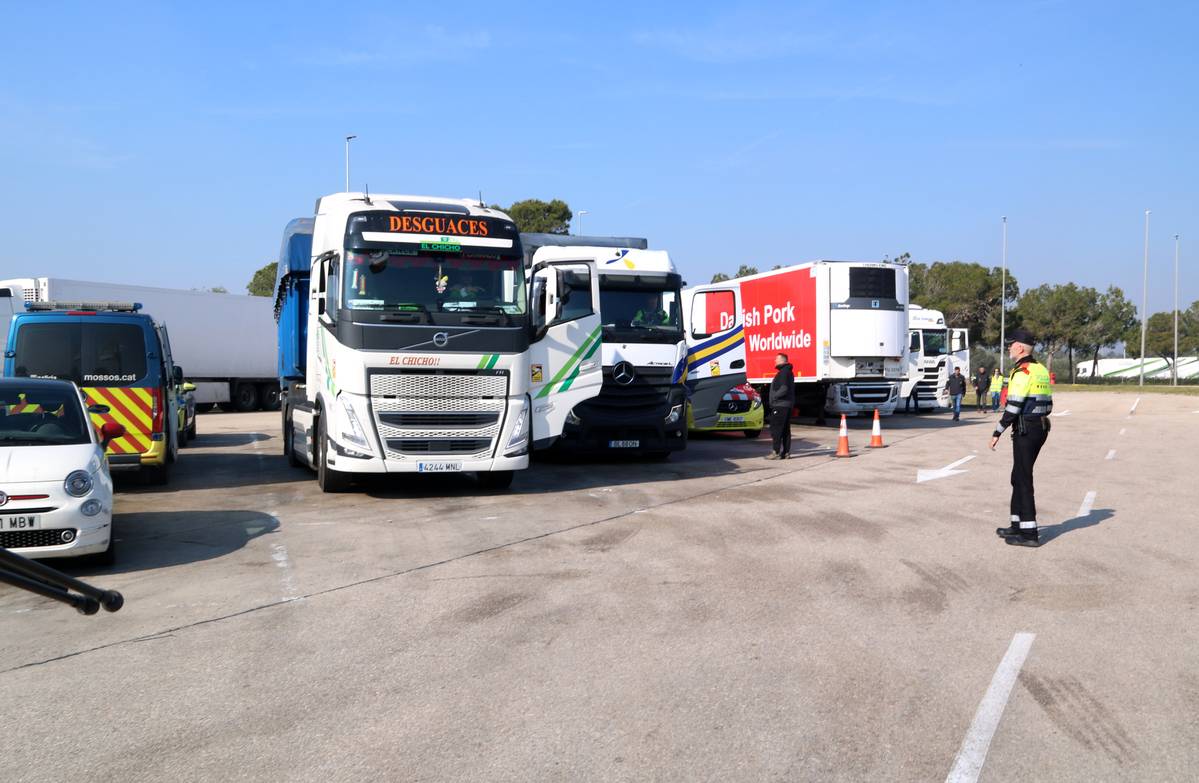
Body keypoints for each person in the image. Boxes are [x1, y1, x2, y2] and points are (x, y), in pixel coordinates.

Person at [990, 328, 1053, 547]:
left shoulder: (1023, 371)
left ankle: (1029, 534)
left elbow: (1013, 407)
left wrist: (997, 431)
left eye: (1010, 345)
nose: (1008, 348)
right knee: (1018, 476)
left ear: (1018, 347)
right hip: (1040, 427)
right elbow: (1048, 404)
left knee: (1023, 478)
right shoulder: (1041, 369)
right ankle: (1017, 525)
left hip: (1026, 429)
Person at [766, 353, 794, 460]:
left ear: (782, 360)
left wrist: (774, 398)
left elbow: (784, 389)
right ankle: (786, 452)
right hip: (787, 405)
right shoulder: (788, 372)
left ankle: (776, 452)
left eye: (776, 359)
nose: (775, 361)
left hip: (780, 405)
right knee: (786, 430)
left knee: (776, 429)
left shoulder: (783, 372)